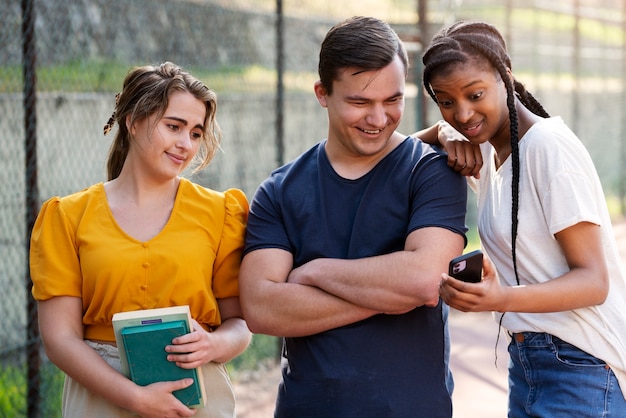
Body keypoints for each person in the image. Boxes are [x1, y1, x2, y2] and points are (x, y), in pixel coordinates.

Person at [239, 16, 468, 417]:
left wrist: (315, 272)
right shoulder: (279, 191)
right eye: (360, 102)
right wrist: (392, 291)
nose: (378, 119)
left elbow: (424, 280)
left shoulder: (431, 170)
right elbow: (261, 309)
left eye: (392, 100)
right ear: (322, 93)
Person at [419, 20, 626, 417]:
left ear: (506, 76)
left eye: (475, 94)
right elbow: (398, 148)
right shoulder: (489, 152)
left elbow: (594, 281)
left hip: (581, 365)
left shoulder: (547, 148)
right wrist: (444, 134)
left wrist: (501, 299)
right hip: (529, 363)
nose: (463, 113)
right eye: (446, 102)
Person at [29, 62, 252, 418]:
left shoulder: (221, 212)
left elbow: (239, 326)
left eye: (195, 133)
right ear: (133, 122)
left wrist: (212, 344)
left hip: (196, 397)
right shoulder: (67, 217)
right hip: (101, 394)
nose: (186, 144)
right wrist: (133, 398)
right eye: (174, 126)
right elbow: (59, 338)